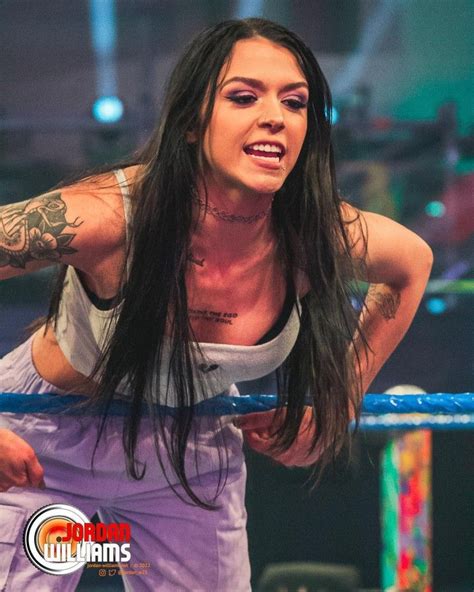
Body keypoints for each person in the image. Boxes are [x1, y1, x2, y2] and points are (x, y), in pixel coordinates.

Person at [0, 17, 432, 592]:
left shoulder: (315, 234)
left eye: (296, 102)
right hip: (44, 443)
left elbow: (412, 264)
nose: (275, 116)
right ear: (189, 121)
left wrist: (337, 403)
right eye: (244, 96)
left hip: (190, 446)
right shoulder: (109, 215)